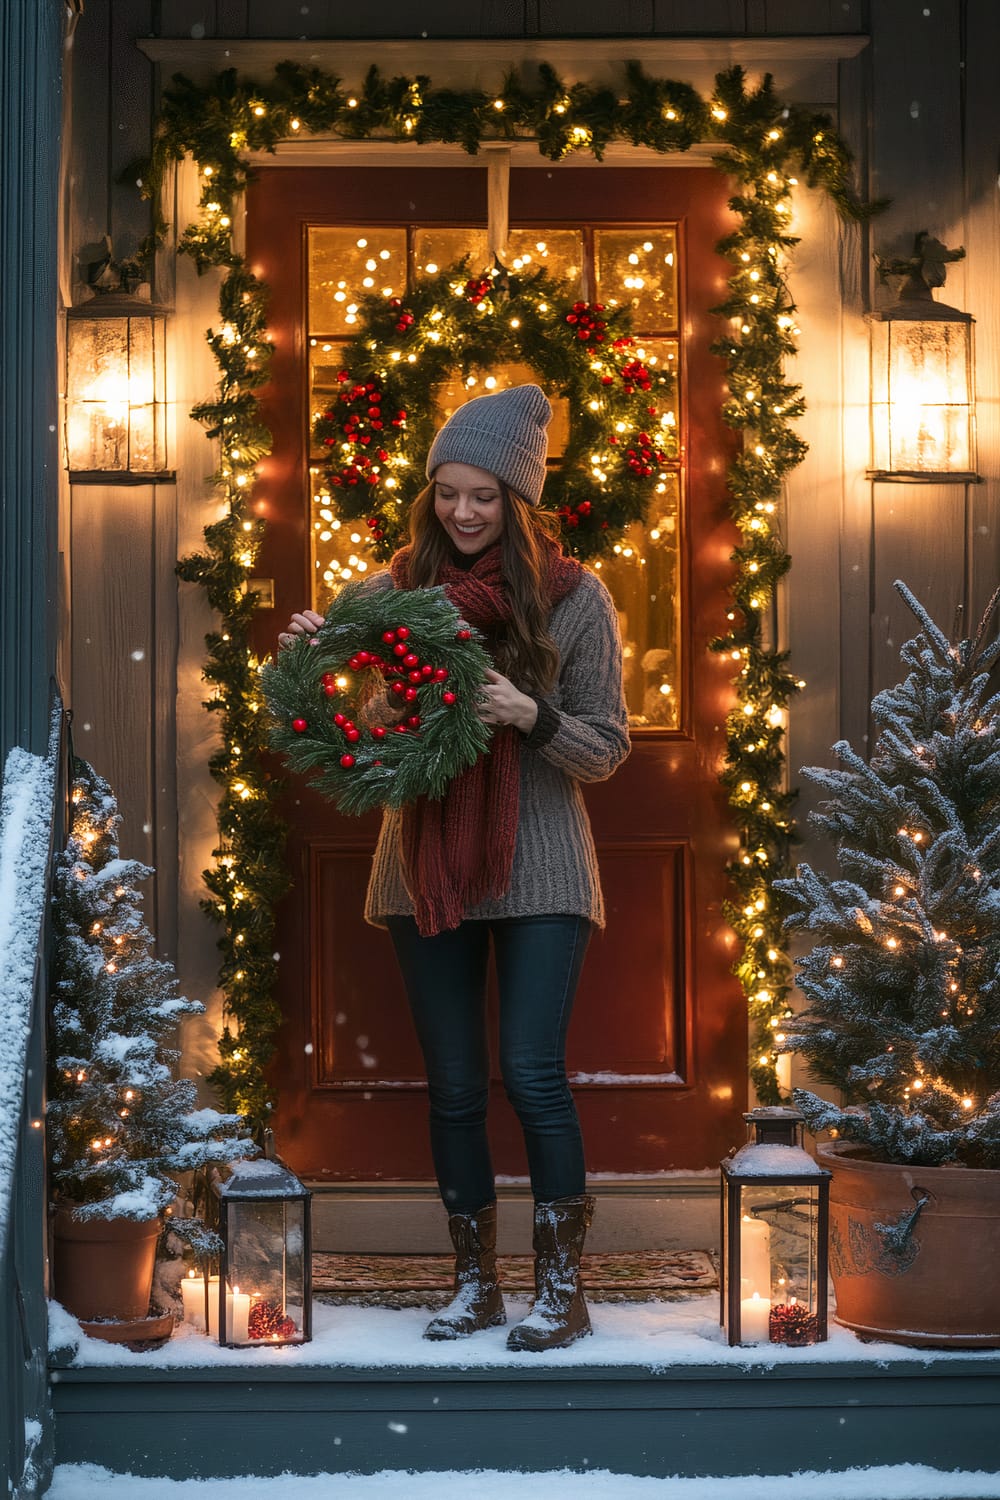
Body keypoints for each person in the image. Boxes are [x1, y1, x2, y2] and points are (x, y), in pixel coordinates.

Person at [281, 384, 629, 1350]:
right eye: (448, 493)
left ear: (518, 503)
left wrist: (531, 714)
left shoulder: (574, 597)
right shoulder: (385, 600)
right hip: (423, 863)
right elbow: (358, 731)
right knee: (455, 1085)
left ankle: (562, 1291)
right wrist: (320, 664)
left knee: (532, 1073)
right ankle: (475, 1284)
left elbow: (606, 747)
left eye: (484, 496)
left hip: (543, 866)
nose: (463, 513)